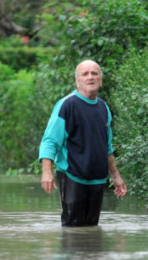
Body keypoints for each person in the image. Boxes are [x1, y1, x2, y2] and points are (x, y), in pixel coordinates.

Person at [39, 60, 127, 226]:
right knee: (73, 229)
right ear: (77, 81)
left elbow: (106, 147)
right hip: (72, 176)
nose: (90, 77)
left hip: (97, 179)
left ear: (100, 79)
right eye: (85, 74)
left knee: (91, 230)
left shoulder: (103, 107)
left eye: (94, 73)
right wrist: (46, 171)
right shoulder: (67, 105)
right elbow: (50, 141)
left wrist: (116, 176)